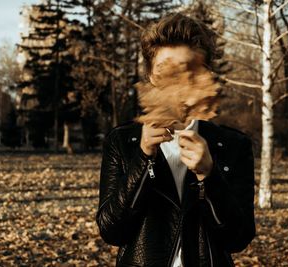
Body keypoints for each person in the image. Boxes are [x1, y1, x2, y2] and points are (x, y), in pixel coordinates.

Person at [96, 12, 256, 267]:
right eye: (165, 71)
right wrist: (143, 155)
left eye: (187, 71)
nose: (176, 83)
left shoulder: (233, 145)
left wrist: (209, 174)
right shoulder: (122, 141)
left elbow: (237, 238)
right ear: (150, 76)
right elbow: (112, 231)